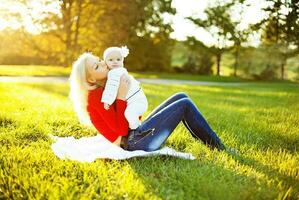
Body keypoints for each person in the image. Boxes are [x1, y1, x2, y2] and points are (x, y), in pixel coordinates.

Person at [69, 52, 226, 151]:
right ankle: (218, 147)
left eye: (99, 60)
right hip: (133, 143)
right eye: (97, 66)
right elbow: (122, 131)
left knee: (181, 96)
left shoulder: (106, 86)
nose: (104, 63)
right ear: (90, 78)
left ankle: (209, 142)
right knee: (184, 105)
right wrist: (122, 95)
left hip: (136, 135)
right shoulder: (95, 98)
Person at [101, 46, 148, 130]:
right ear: (105, 62)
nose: (115, 62)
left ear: (122, 61)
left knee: (129, 114)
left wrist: (106, 100)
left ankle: (136, 131)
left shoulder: (114, 72)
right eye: (110, 60)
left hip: (136, 100)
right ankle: (136, 127)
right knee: (130, 115)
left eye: (118, 59)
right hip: (137, 100)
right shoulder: (121, 71)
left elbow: (111, 87)